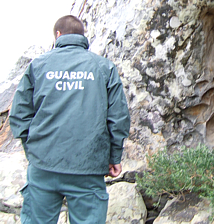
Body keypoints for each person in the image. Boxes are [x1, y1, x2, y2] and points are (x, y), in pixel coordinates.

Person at [9, 15, 131, 223]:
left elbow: (19, 114)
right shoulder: (104, 67)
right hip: (88, 166)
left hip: (43, 165)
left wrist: (34, 151)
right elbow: (118, 117)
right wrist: (114, 157)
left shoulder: (38, 66)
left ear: (58, 35)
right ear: (82, 36)